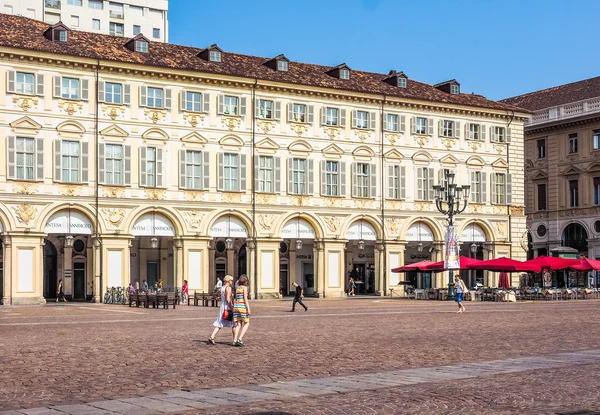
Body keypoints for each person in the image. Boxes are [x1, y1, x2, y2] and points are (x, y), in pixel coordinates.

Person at [208, 275, 236, 345]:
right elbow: (228, 299)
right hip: (227, 306)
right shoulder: (228, 288)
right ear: (228, 281)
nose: (232, 282)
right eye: (231, 280)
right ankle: (235, 340)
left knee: (220, 322)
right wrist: (231, 307)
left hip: (222, 306)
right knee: (234, 323)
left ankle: (212, 336)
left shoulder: (222, 287)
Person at [233, 274, 251, 347]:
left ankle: (234, 340)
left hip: (236, 306)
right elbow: (245, 299)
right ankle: (240, 339)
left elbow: (236, 298)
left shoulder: (237, 288)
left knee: (238, 324)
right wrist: (248, 308)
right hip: (242, 306)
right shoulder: (244, 288)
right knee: (247, 323)